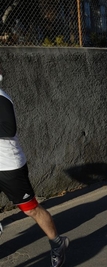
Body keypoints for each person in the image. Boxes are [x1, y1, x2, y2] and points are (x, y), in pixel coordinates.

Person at [0, 88, 69, 267]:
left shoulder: (2, 97)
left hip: (9, 166)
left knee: (30, 209)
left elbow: (9, 127)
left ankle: (57, 243)